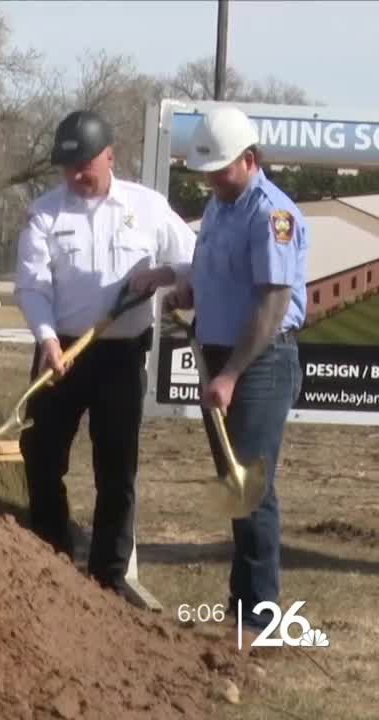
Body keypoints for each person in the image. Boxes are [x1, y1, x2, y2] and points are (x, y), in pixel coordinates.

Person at [13, 110, 196, 597]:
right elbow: (32, 287)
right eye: (67, 168)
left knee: (116, 468)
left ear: (109, 155)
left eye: (85, 165)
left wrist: (163, 276)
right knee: (42, 456)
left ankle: (107, 576)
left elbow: (193, 259)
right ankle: (50, 555)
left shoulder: (149, 207)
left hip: (121, 355)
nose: (76, 176)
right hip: (61, 353)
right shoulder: (45, 213)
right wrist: (49, 340)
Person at [161, 104, 305, 642]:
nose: (211, 179)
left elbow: (272, 303)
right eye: (206, 171)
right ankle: (240, 606)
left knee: (253, 487)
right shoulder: (219, 205)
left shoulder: (272, 214)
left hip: (260, 362)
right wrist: (185, 288)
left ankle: (261, 616)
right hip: (219, 356)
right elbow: (216, 274)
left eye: (219, 169)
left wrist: (232, 374)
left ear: (249, 159)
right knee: (233, 483)